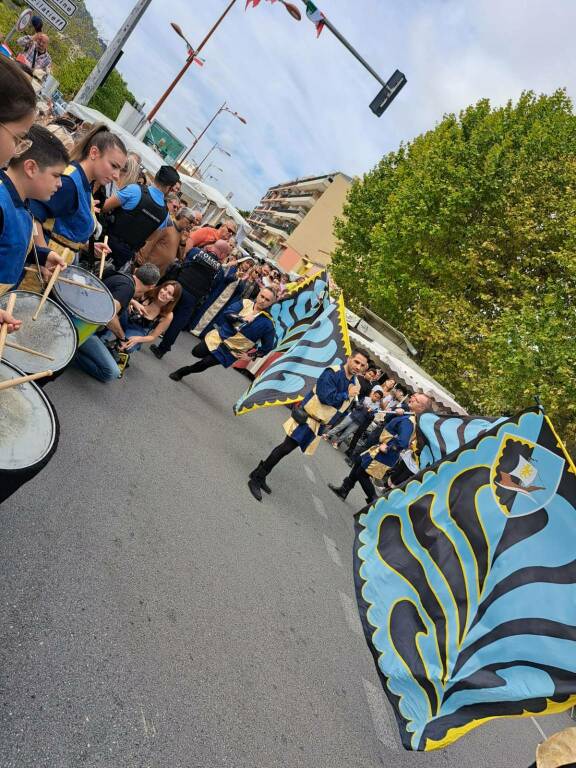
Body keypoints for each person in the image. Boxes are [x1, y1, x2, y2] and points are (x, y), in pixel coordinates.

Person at [247, 351, 369, 502]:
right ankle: (257, 477)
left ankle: (260, 473)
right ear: (349, 358)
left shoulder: (355, 384)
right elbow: (326, 397)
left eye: (362, 365)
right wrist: (346, 394)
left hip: (320, 422)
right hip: (308, 417)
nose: (358, 367)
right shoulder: (333, 372)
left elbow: (343, 407)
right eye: (356, 362)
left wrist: (333, 421)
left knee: (287, 449)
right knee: (285, 447)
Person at [30, 124, 126, 263]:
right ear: (93, 153)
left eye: (119, 169)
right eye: (113, 166)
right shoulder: (69, 183)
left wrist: (86, 245)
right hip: (34, 271)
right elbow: (32, 216)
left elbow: (63, 228)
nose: (117, 175)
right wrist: (44, 257)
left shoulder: (84, 183)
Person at [1, 125, 69, 298]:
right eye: (56, 175)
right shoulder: (2, 204)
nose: (60, 184)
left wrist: (42, 255)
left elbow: (7, 245)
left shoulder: (21, 202)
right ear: (31, 168)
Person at [328, 393, 433, 505]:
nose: (412, 398)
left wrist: (388, 447)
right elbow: (389, 419)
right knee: (359, 462)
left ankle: (374, 502)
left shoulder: (409, 422)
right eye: (413, 396)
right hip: (380, 448)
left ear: (421, 408)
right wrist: (397, 413)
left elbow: (402, 442)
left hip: (385, 452)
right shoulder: (409, 415)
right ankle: (344, 490)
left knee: (362, 474)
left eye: (416, 400)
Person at [168, 286, 277, 382]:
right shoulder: (245, 303)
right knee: (196, 352)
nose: (263, 300)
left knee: (205, 363)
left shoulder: (268, 323)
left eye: (267, 300)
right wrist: (242, 318)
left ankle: (183, 372)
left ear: (271, 303)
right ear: (258, 294)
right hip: (218, 337)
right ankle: (210, 354)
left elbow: (268, 347)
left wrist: (250, 355)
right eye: (262, 296)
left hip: (230, 351)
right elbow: (227, 313)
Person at [73, 263, 160, 382]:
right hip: (82, 328)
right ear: (152, 286)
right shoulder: (127, 288)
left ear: (137, 271)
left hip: (80, 317)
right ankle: (72, 353)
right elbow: (109, 315)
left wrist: (131, 301)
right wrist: (122, 337)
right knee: (111, 372)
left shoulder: (123, 277)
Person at [149, 243, 222, 358]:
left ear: (212, 247)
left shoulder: (196, 252)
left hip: (178, 287)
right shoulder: (220, 271)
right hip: (192, 297)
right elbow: (214, 285)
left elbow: (184, 260)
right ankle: (162, 349)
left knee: (161, 308)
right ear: (222, 254)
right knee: (177, 323)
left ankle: (145, 327)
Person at [102, 164, 179, 269]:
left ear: (156, 176)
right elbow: (150, 238)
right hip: (123, 255)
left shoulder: (135, 190)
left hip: (104, 242)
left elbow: (105, 206)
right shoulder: (165, 215)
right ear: (170, 188)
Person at [119, 280, 181, 352]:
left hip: (137, 330)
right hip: (125, 317)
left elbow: (153, 336)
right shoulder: (149, 292)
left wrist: (138, 339)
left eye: (169, 293)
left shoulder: (168, 315)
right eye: (164, 289)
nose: (164, 293)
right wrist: (132, 302)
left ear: (173, 299)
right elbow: (125, 294)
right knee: (113, 314)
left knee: (126, 346)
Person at [136, 207, 195, 275]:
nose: (191, 225)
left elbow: (180, 257)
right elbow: (150, 242)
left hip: (159, 272)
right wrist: (139, 262)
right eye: (190, 221)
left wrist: (183, 242)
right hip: (146, 267)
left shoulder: (182, 234)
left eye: (193, 223)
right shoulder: (167, 225)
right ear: (182, 216)